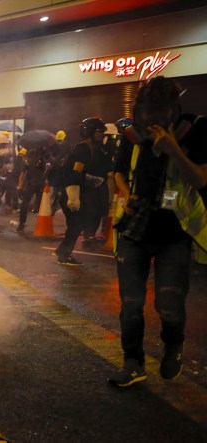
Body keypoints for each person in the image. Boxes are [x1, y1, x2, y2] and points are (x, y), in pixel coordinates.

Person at [109, 76, 207, 387]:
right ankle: (133, 362)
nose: (151, 119)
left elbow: (201, 179)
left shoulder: (197, 128)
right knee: (131, 303)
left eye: (159, 111)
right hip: (134, 228)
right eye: (145, 111)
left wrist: (174, 148)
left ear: (174, 109)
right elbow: (118, 173)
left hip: (174, 232)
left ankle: (173, 344)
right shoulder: (131, 134)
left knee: (169, 303)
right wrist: (127, 194)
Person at [54, 117, 105, 266]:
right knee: (76, 225)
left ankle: (63, 251)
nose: (101, 135)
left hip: (69, 191)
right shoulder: (83, 150)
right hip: (71, 192)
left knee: (75, 225)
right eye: (99, 132)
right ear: (89, 132)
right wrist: (73, 197)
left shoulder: (81, 147)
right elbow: (76, 173)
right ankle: (64, 255)